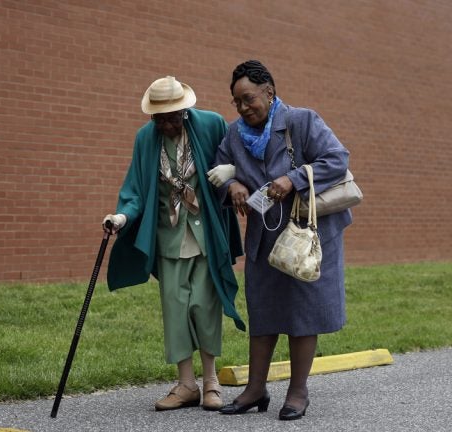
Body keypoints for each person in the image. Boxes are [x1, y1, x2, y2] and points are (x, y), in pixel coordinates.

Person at [208, 60, 352, 421]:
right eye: (237, 102)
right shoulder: (233, 134)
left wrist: (294, 178)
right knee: (264, 311)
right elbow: (220, 169)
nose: (243, 108)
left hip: (307, 235)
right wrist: (233, 185)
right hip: (264, 236)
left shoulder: (302, 121)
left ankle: (298, 392)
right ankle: (255, 389)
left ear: (269, 92)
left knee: (303, 311)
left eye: (249, 99)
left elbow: (338, 159)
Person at [103, 76, 245, 412]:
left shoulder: (212, 124)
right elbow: (136, 188)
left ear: (185, 110)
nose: (166, 124)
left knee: (204, 306)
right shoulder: (145, 138)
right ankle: (186, 385)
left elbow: (239, 159)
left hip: (205, 234)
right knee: (175, 309)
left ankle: (211, 382)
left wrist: (232, 173)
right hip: (168, 237)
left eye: (172, 117)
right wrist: (121, 218)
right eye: (159, 118)